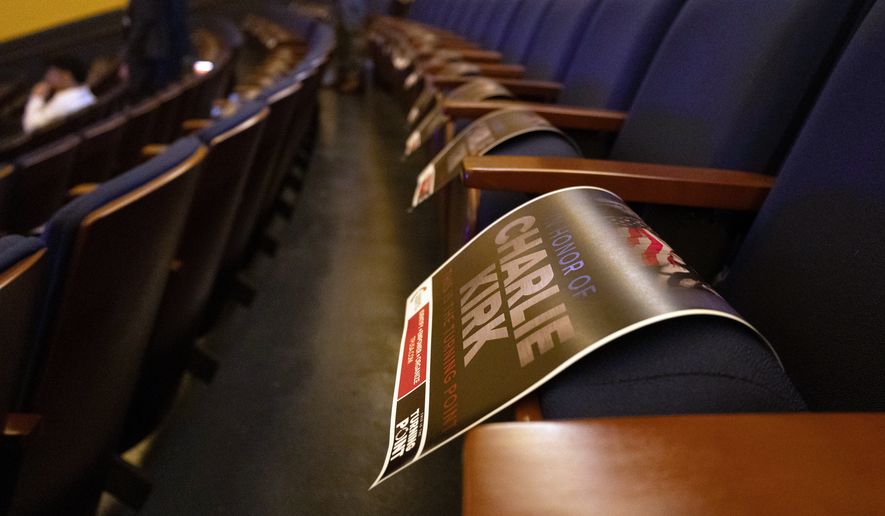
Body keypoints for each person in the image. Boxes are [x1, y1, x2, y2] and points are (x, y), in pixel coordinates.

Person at [122, 0, 192, 98]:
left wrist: (126, 56)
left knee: (151, 97)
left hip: (150, 59)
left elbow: (140, 27)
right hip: (170, 53)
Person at [22, 55, 97, 133]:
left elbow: (30, 127)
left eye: (51, 73)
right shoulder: (83, 93)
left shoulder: (65, 102)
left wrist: (36, 98)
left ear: (66, 76)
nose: (46, 77)